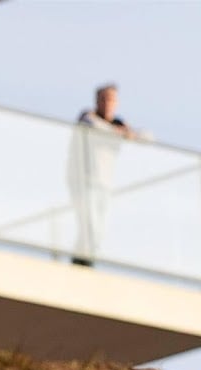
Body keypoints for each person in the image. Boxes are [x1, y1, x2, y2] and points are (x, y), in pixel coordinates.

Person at [68, 83, 137, 266]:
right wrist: (118, 132)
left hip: (105, 185)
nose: (108, 104)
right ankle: (80, 264)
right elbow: (94, 126)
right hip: (85, 182)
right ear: (97, 101)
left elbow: (146, 137)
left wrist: (127, 131)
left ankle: (85, 264)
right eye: (104, 99)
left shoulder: (118, 125)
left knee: (99, 230)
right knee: (89, 226)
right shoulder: (88, 118)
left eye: (112, 100)